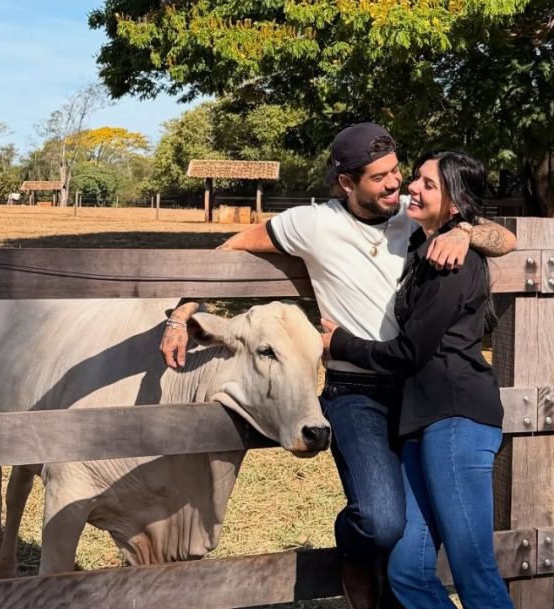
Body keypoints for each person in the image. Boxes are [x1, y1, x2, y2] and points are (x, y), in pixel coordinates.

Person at [159, 123, 517, 609]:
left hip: (418, 391)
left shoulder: (414, 219)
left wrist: (467, 230)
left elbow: (507, 239)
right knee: (383, 519)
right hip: (356, 391)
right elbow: (231, 248)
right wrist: (182, 313)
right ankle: (352, 551)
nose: (396, 184)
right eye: (380, 177)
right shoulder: (312, 223)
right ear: (347, 183)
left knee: (414, 542)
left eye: (398, 172)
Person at [320, 151, 513, 609]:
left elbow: (410, 352)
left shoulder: (453, 263)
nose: (413, 187)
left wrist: (342, 345)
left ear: (453, 203)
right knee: (407, 573)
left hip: (456, 418)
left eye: (428, 184)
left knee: (473, 570)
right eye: (417, 180)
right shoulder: (421, 247)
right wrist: (464, 229)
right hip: (420, 425)